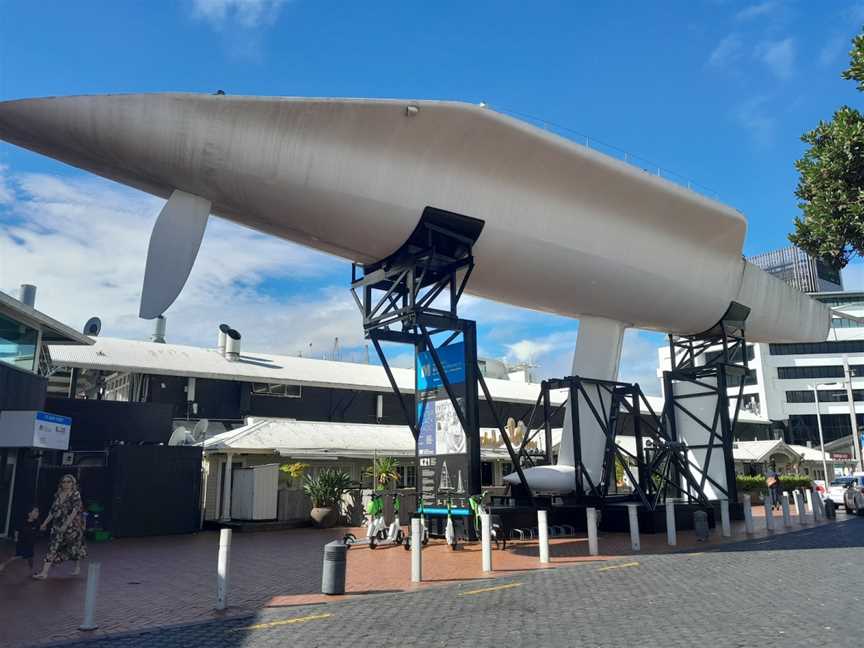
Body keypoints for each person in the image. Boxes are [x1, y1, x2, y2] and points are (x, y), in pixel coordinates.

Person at [32, 474, 87, 579]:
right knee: (52, 547)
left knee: (74, 547)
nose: (66, 484)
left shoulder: (75, 494)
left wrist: (66, 525)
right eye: (64, 482)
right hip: (57, 525)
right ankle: (44, 573)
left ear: (73, 483)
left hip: (72, 527)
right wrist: (44, 523)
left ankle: (77, 567)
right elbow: (53, 511)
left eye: (68, 482)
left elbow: (75, 511)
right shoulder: (58, 495)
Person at [0, 507, 40, 573]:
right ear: (29, 514)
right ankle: (3, 564)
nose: (37, 513)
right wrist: (16, 538)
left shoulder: (36, 523)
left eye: (38, 512)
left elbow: (37, 531)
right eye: (35, 511)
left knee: (30, 558)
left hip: (30, 544)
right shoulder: (23, 522)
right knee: (17, 556)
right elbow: (16, 530)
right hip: (22, 543)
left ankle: (31, 570)